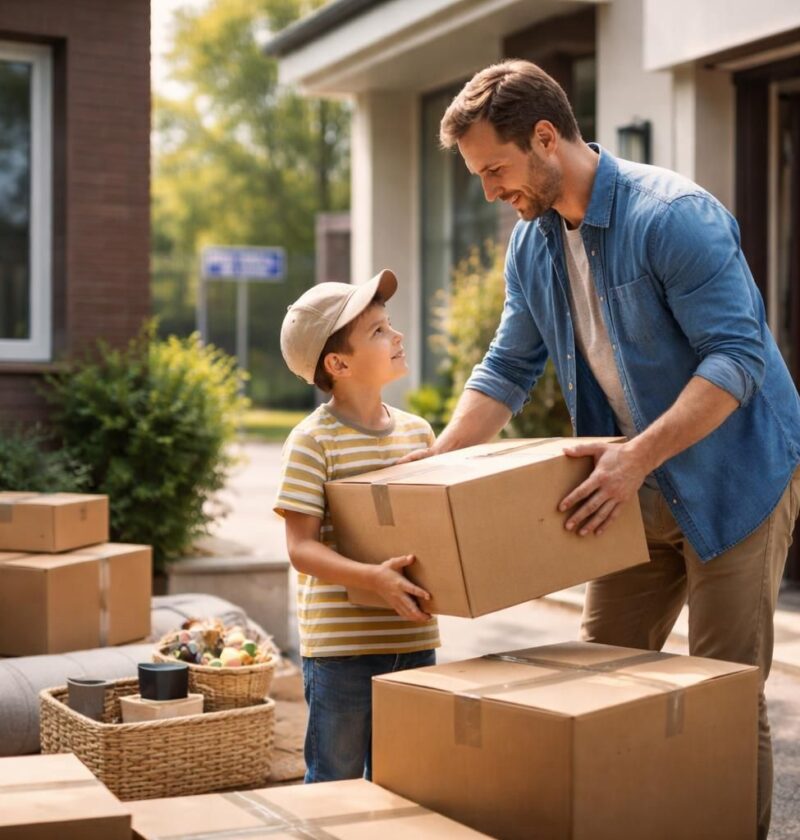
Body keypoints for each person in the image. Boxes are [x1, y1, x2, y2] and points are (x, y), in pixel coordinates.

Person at [411, 59, 800, 839]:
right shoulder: (535, 246)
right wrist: (429, 470)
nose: (490, 191)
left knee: (722, 690)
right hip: (631, 486)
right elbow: (507, 369)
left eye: (496, 169)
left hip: (735, 479)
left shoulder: (673, 216)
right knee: (601, 672)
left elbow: (736, 361)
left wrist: (637, 459)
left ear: (546, 138)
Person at [274, 270, 439, 784]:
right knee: (335, 783)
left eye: (389, 326)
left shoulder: (419, 432)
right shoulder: (312, 442)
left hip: (414, 635)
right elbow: (301, 549)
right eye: (378, 332)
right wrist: (375, 580)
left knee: (407, 781)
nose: (397, 337)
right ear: (338, 364)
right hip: (341, 653)